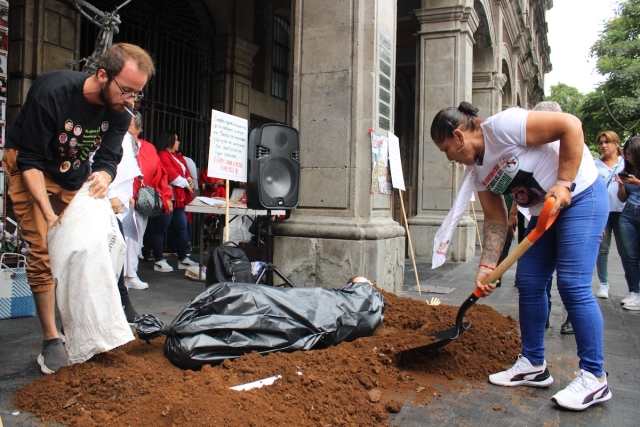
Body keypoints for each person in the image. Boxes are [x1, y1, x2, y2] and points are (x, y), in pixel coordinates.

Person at [430, 102, 611, 411]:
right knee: (528, 281)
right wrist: (487, 265)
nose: (449, 157)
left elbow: (570, 125)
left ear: (459, 137)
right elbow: (495, 218)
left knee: (572, 284)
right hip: (544, 214)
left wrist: (565, 183)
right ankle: (533, 364)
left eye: (447, 149)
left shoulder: (505, 126)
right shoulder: (477, 171)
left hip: (581, 196)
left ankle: (594, 377)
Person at [2, 43, 155, 374]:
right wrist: (49, 216)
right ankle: (51, 340)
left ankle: (97, 320)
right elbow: (29, 158)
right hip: (30, 163)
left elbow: (108, 157)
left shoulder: (122, 113)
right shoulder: (53, 92)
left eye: (137, 94)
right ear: (102, 76)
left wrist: (103, 174)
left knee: (92, 241)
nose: (131, 101)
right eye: (126, 91)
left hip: (70, 169)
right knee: (43, 247)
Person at [149, 130, 198, 272]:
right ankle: (159, 260)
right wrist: (187, 184)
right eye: (176, 140)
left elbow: (184, 173)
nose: (178, 142)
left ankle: (183, 258)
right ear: (170, 141)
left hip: (178, 199)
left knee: (182, 229)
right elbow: (172, 177)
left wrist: (188, 181)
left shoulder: (176, 156)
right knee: (160, 229)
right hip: (167, 197)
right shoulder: (163, 155)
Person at [594, 131, 627, 300]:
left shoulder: (625, 163)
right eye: (601, 143)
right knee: (603, 249)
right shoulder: (595, 165)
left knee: (627, 250)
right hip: (603, 212)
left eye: (607, 142)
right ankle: (603, 283)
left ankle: (633, 288)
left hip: (623, 210)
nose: (603, 146)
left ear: (616, 143)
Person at [616, 138, 640, 310]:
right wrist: (622, 186)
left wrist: (637, 182)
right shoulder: (628, 170)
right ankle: (634, 291)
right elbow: (622, 198)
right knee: (630, 255)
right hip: (628, 211)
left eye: (630, 154)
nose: (628, 157)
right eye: (626, 154)